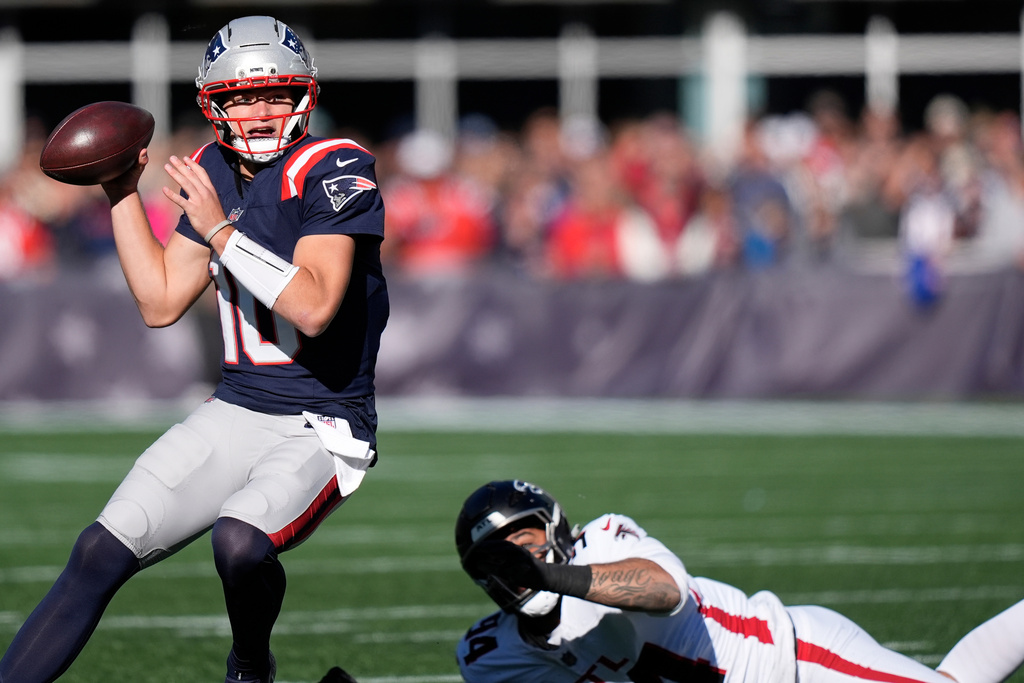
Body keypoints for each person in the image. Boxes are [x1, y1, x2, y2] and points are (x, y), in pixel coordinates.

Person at [0, 15, 388, 683]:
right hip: (236, 406)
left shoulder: (336, 165)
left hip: (323, 422)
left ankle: (248, 665)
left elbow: (316, 307)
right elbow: (159, 301)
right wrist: (119, 188)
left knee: (239, 541)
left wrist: (220, 233)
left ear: (305, 94)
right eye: (242, 96)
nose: (260, 110)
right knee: (98, 551)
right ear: (214, 102)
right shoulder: (213, 164)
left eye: (275, 92)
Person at [454, 480, 1024, 683]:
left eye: (521, 543)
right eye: (493, 562)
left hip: (793, 662)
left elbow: (663, 589)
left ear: (555, 530)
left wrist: (549, 575)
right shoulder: (491, 653)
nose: (511, 564)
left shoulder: (602, 540)